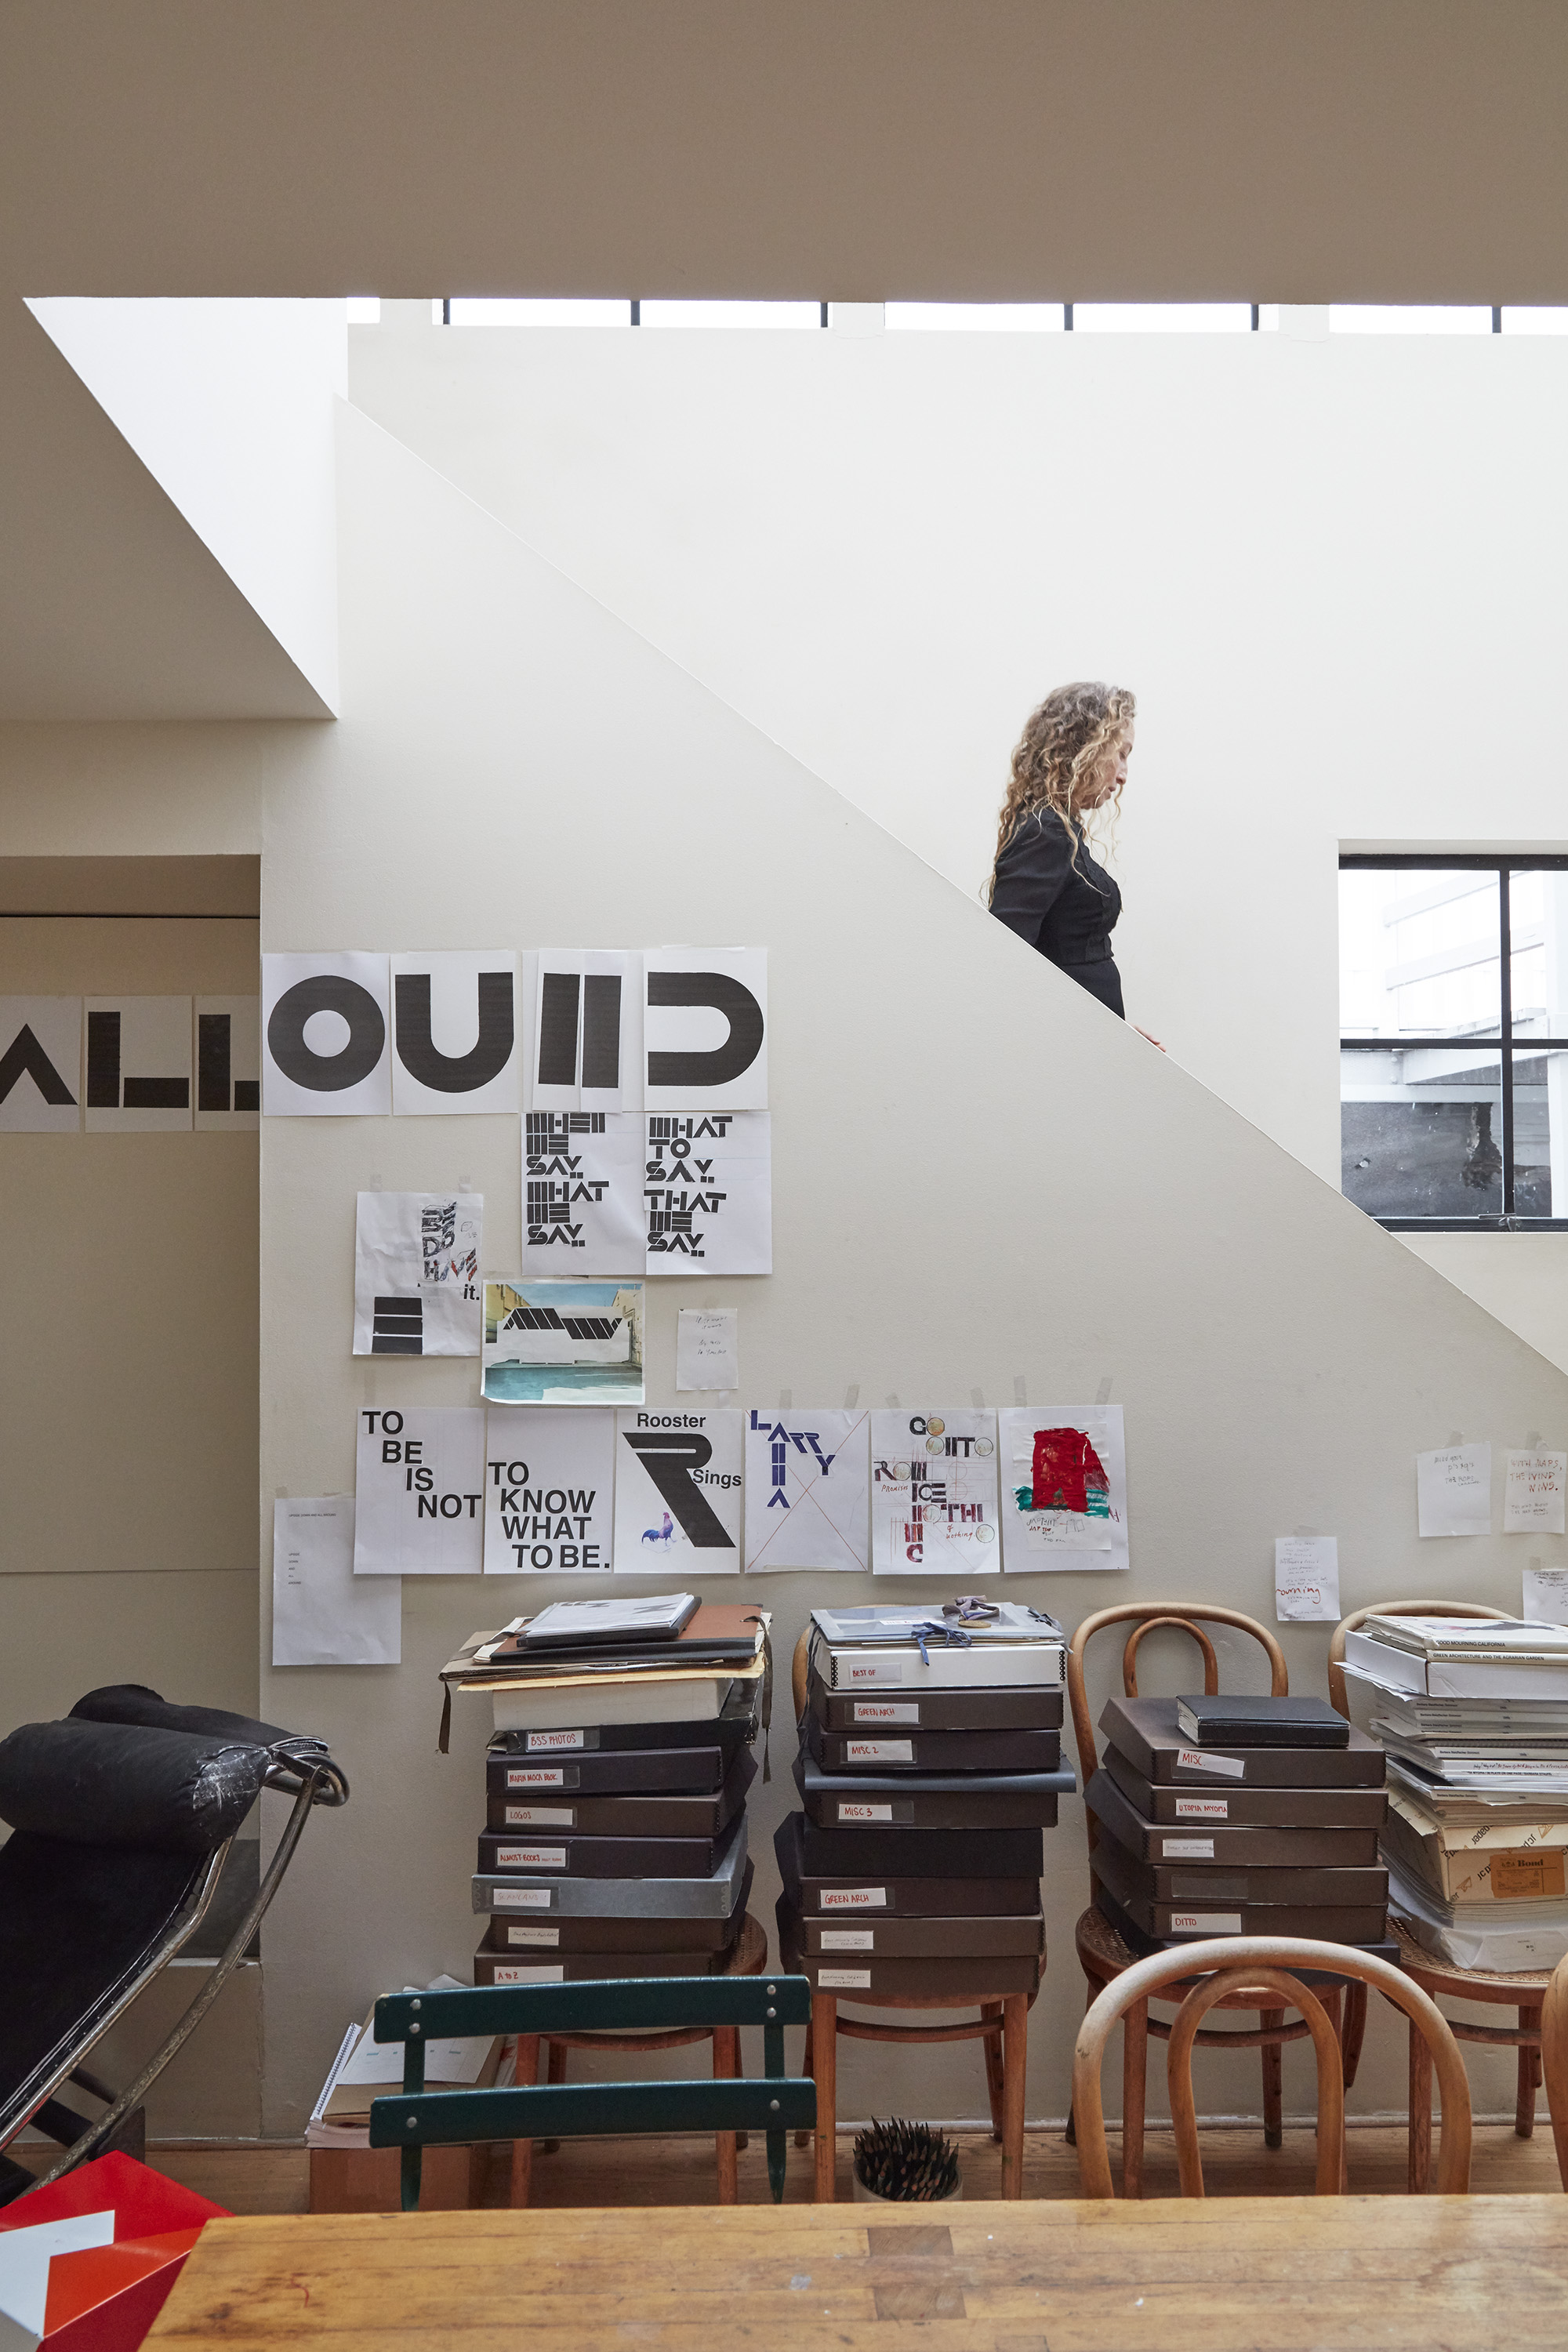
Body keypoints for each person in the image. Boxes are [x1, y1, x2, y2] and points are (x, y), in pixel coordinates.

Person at [987, 680, 1156, 1040]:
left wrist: (1116, 1033)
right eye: (1121, 753)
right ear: (1085, 747)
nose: (1124, 775)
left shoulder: (1058, 828)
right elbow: (1004, 959)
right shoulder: (1046, 832)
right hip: (1068, 1053)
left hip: (1084, 1046)